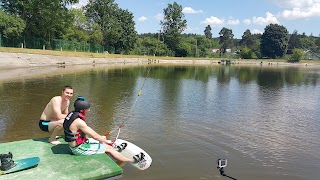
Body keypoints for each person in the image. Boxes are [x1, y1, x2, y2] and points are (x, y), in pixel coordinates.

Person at [63, 96, 139, 163]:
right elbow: (95, 136)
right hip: (78, 149)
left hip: (78, 144)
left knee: (103, 138)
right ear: (82, 110)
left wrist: (104, 139)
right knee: (109, 148)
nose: (89, 110)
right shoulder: (78, 122)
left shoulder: (72, 114)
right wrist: (107, 141)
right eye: (87, 109)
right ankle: (131, 160)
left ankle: (110, 150)